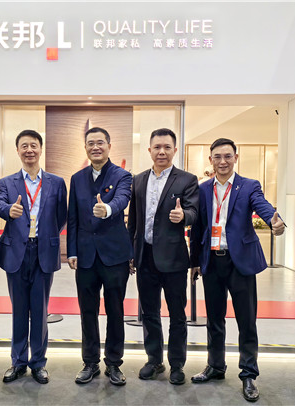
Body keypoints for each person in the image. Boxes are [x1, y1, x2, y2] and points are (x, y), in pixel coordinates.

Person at [190, 138, 285, 402]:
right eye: (217, 157)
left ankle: (249, 374)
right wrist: (195, 261)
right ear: (210, 160)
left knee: (246, 320)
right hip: (212, 261)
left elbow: (262, 205)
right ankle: (215, 366)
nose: (223, 161)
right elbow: (198, 228)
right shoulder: (203, 189)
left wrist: (274, 221)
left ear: (236, 158)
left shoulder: (249, 186)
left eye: (228, 156)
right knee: (214, 319)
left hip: (239, 262)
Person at [0, 130, 67, 384]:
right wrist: (9, 210)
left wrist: (45, 235)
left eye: (33, 145)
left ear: (40, 149)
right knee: (18, 311)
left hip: (43, 251)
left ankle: (38, 363)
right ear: (17, 151)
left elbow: (61, 215)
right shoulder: (7, 182)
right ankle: (18, 362)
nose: (29, 150)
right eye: (24, 146)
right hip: (16, 252)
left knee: (40, 310)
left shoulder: (56, 182)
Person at [127, 128, 199, 385]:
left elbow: (194, 212)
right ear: (149, 150)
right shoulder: (138, 180)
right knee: (149, 313)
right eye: (157, 147)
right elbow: (133, 220)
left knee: (177, 315)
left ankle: (177, 364)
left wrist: (184, 216)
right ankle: (154, 360)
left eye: (167, 147)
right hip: (145, 256)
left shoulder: (187, 180)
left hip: (174, 259)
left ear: (174, 150)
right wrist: (131, 252)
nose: (162, 151)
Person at [67, 127, 132, 386]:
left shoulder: (122, 175)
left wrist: (108, 208)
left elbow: (122, 199)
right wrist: (72, 250)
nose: (95, 147)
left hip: (115, 255)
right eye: (90, 143)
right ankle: (90, 362)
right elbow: (72, 217)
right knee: (87, 311)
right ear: (85, 147)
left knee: (115, 310)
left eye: (100, 142)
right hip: (85, 255)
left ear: (109, 146)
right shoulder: (77, 178)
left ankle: (114, 363)